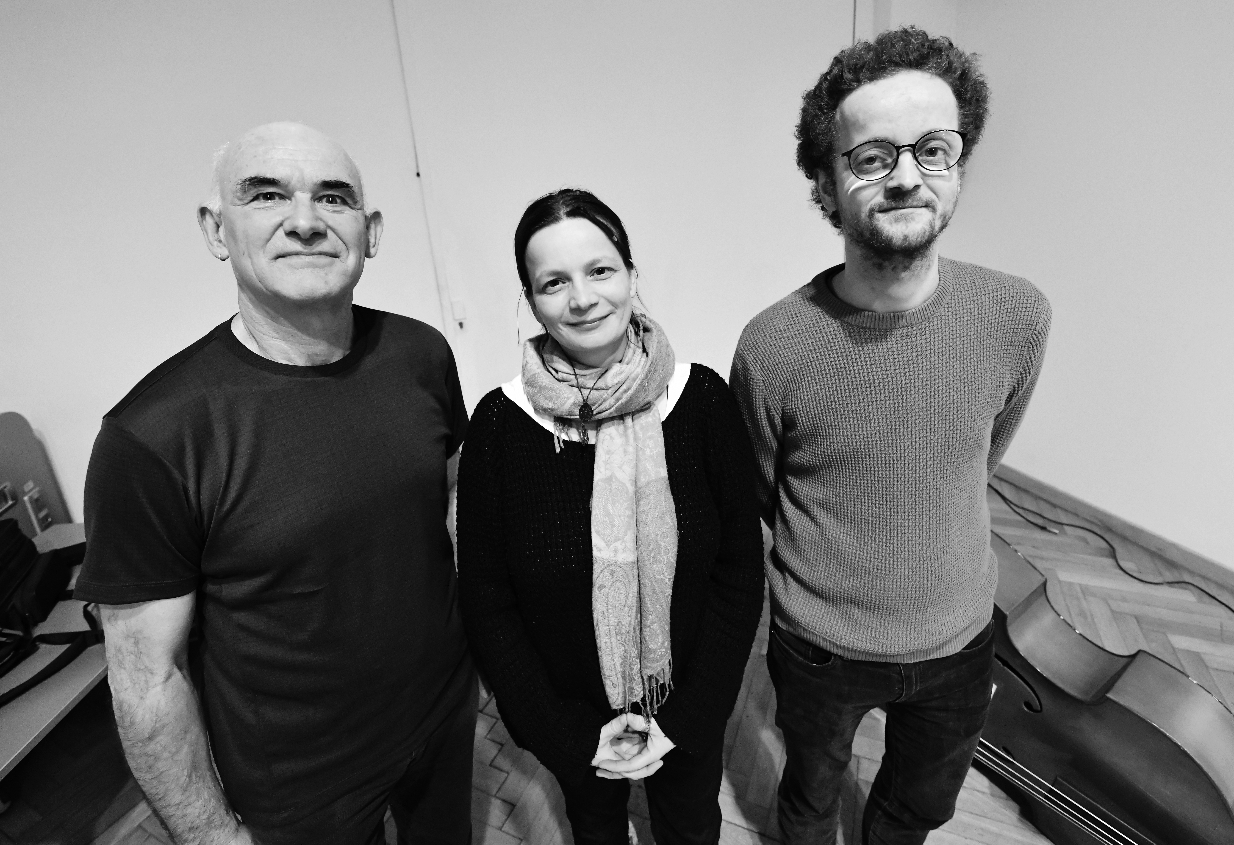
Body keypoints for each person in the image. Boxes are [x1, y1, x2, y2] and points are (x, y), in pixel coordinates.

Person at [74, 122, 475, 845]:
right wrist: (213, 838)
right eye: (266, 195)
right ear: (215, 229)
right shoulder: (153, 437)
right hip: (300, 782)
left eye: (334, 197)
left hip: (444, 714)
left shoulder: (421, 353)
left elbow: (448, 501)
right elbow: (148, 679)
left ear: (371, 232)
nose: (305, 220)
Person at [730, 27, 1052, 845]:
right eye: (872, 156)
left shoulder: (1017, 315)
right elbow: (764, 490)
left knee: (919, 807)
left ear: (959, 162)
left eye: (933, 149)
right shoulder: (773, 345)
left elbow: (980, 455)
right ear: (826, 182)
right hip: (820, 646)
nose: (908, 175)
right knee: (810, 795)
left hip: (960, 635)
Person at [456, 189, 765, 845]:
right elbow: (487, 599)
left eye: (600, 270)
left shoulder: (702, 400)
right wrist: (566, 736)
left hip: (687, 705)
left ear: (630, 274)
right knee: (595, 829)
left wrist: (687, 718)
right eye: (554, 282)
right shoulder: (499, 424)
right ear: (530, 300)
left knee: (691, 827)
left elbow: (739, 570)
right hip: (572, 720)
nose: (582, 298)